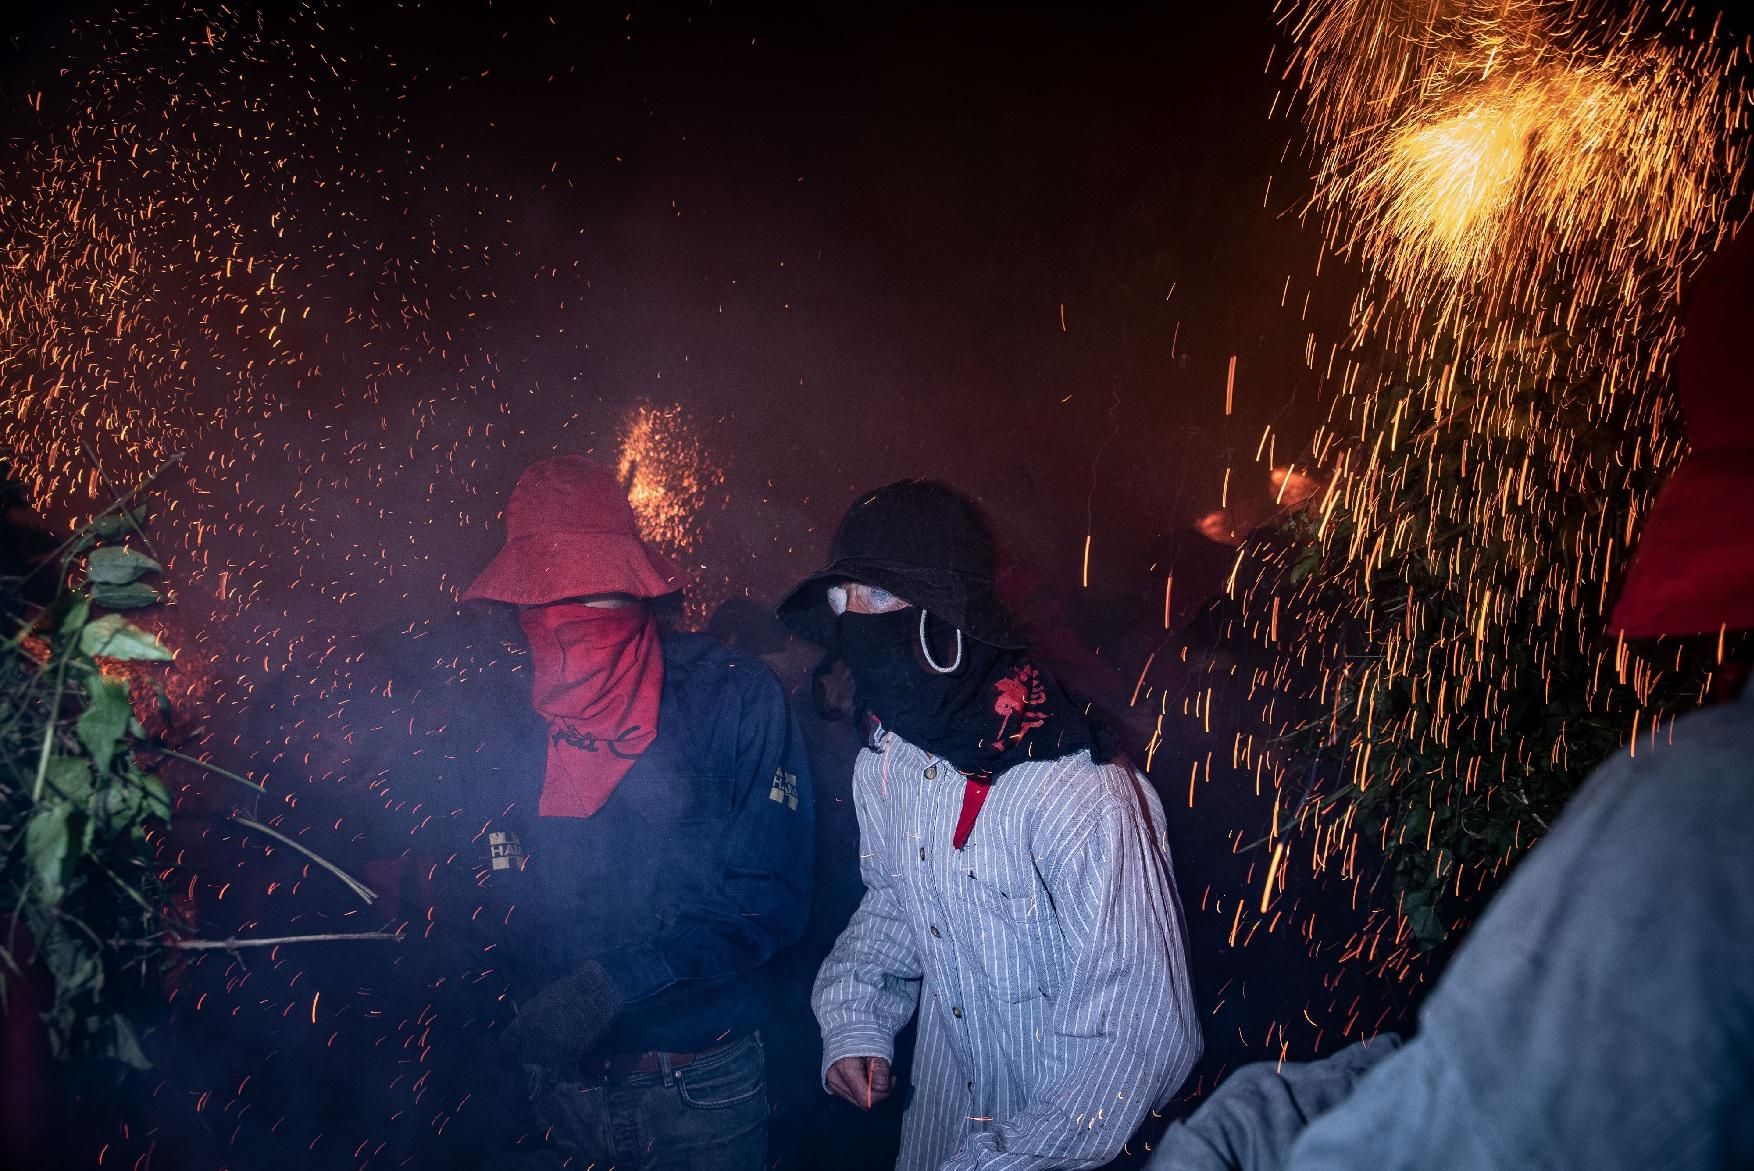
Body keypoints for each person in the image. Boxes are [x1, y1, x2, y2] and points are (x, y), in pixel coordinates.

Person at [1150, 226, 1754, 1169]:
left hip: (1335, 893)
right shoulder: (1257, 612)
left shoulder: (1704, 811)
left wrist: (1224, 1141)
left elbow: (1477, 1122)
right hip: (1287, 886)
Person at [778, 479, 1202, 1170]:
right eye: (842, 598)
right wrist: (857, 1016)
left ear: (947, 622)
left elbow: (1141, 1036)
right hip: (940, 1132)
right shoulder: (889, 763)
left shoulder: (1079, 789)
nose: (854, 620)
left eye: (878, 597)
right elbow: (895, 902)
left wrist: (1004, 1159)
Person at [412, 455, 814, 1170]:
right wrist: (488, 1029)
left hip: (700, 1095)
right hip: (557, 1104)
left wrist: (613, 984)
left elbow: (769, 899)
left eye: (593, 596)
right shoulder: (506, 717)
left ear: (635, 587)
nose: (571, 624)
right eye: (548, 602)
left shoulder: (732, 696)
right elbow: (486, 894)